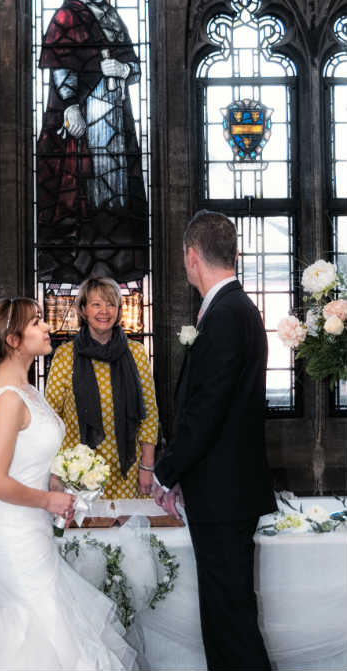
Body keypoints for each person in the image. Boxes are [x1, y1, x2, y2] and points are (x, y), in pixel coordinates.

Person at [0, 297, 136, 670]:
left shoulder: (26, 391)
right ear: (13, 340)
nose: (46, 326)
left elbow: (24, 460)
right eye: (36, 322)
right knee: (42, 628)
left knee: (34, 629)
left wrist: (55, 479)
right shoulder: (7, 399)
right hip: (10, 532)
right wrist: (49, 499)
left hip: (30, 528)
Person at [153, 210, 276, 671]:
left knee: (231, 625)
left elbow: (206, 410)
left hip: (224, 498)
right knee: (227, 621)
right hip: (224, 491)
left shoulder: (225, 315)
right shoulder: (234, 309)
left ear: (191, 256)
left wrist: (167, 472)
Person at [36, 0, 148, 284]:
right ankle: (80, 260)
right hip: (85, 111)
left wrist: (124, 68)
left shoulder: (113, 18)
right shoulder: (66, 16)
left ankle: (117, 256)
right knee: (82, 182)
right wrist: (70, 106)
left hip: (115, 114)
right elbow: (59, 65)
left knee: (114, 185)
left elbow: (135, 66)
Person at [46, 277, 158, 498]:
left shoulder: (136, 354)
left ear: (119, 310)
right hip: (79, 470)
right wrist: (56, 471)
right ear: (84, 310)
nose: (104, 311)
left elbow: (149, 415)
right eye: (96, 304)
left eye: (111, 304)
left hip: (127, 469)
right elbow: (51, 416)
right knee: (84, 531)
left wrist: (147, 465)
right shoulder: (65, 356)